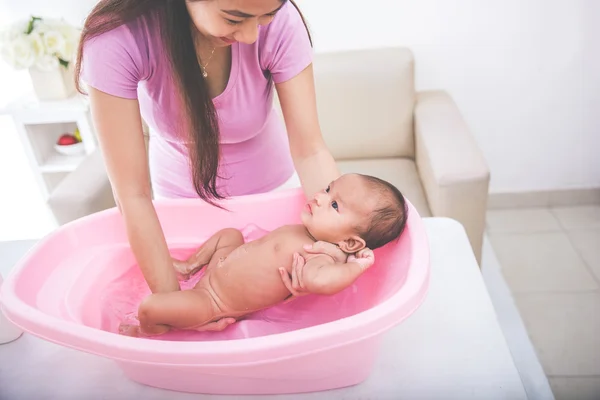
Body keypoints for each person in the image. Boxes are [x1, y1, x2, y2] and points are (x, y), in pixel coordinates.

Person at [75, 0, 342, 304]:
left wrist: (339, 246)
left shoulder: (281, 21)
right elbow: (132, 193)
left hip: (274, 198)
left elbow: (311, 151)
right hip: (180, 211)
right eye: (234, 18)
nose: (251, 35)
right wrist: (173, 306)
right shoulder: (116, 35)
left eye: (265, 17)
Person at [118, 173, 409, 337]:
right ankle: (190, 266)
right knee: (231, 233)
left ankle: (147, 336)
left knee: (150, 308)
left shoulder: (323, 256)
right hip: (220, 266)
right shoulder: (313, 234)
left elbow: (323, 282)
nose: (320, 197)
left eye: (334, 205)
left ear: (349, 243)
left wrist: (356, 268)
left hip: (211, 300)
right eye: (328, 188)